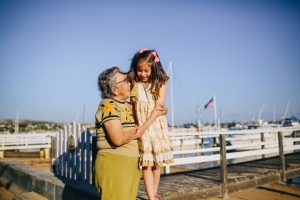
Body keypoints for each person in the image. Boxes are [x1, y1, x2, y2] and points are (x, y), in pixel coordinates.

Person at [94, 66, 165, 200]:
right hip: (114, 165)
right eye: (125, 81)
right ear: (114, 89)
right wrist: (149, 121)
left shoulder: (127, 105)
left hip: (130, 165)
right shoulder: (108, 105)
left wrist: (160, 111)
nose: (130, 82)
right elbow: (118, 139)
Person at [128, 48, 174, 200]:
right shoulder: (134, 84)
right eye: (140, 70)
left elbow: (159, 108)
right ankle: (151, 196)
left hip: (156, 126)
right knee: (146, 163)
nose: (143, 74)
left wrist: (164, 111)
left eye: (146, 70)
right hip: (143, 127)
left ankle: (153, 194)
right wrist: (137, 126)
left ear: (154, 67)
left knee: (157, 163)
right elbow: (133, 106)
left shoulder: (160, 83)